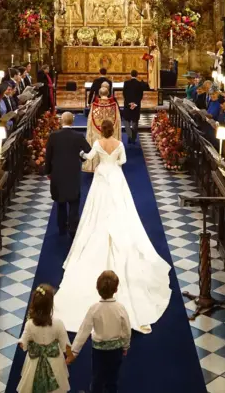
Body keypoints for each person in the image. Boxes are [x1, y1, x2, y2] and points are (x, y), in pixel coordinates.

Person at [54, 121, 171, 334]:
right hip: (116, 178)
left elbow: (89, 159)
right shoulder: (119, 143)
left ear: (101, 130)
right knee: (121, 209)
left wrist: (81, 154)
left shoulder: (97, 143)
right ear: (113, 130)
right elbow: (123, 161)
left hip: (101, 178)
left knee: (96, 211)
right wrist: (112, 162)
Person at [69, 270, 131, 391]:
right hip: (116, 350)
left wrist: (74, 352)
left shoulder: (94, 309)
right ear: (116, 289)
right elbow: (127, 330)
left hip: (99, 351)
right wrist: (125, 346)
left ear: (97, 288)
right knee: (113, 377)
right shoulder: (120, 308)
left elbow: (83, 331)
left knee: (97, 376)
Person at [18, 284, 71, 393]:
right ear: (51, 305)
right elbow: (66, 346)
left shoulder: (29, 324)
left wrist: (24, 344)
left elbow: (23, 342)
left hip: (34, 363)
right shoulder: (58, 324)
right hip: (55, 362)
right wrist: (69, 357)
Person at [45, 112, 91, 237]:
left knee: (60, 201)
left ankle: (61, 228)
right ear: (73, 121)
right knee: (74, 201)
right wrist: (80, 158)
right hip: (73, 172)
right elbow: (88, 151)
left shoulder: (53, 136)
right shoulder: (78, 136)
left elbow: (48, 156)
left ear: (61, 121)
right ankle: (73, 228)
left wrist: (48, 171)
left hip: (57, 173)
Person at [84, 85, 121, 173]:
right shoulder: (113, 105)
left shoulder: (94, 105)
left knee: (97, 146)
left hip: (97, 130)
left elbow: (90, 119)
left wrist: (92, 129)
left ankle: (97, 166)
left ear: (99, 94)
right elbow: (117, 119)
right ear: (108, 93)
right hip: (109, 129)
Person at [122, 69, 149, 145]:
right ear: (137, 75)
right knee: (135, 122)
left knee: (126, 121)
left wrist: (129, 103)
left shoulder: (126, 83)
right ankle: (133, 138)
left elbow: (124, 94)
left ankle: (129, 135)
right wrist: (135, 104)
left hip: (127, 105)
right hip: (136, 105)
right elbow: (140, 95)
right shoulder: (139, 84)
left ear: (130, 74)